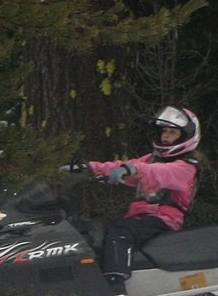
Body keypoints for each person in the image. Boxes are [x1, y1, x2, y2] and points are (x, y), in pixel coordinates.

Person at [70, 105, 200, 286]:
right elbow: (121, 166)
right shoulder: (152, 159)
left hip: (163, 219)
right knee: (96, 228)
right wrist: (90, 168)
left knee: (120, 233)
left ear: (185, 136)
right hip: (141, 217)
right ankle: (92, 280)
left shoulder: (185, 167)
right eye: (164, 131)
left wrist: (133, 169)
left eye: (172, 132)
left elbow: (157, 172)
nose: (165, 136)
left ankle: (116, 284)